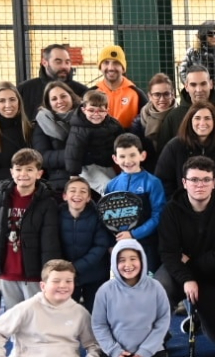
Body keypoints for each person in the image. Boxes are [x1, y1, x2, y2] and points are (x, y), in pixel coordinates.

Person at [158, 156, 215, 350]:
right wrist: (187, 277)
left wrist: (191, 264)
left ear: (214, 182)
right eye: (194, 180)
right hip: (181, 273)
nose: (200, 185)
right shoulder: (171, 210)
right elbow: (168, 253)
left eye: (206, 180)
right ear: (184, 183)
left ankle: (199, 318)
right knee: (158, 288)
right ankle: (156, 344)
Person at [0, 148, 62, 308]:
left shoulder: (47, 202)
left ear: (39, 173)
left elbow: (50, 240)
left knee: (36, 315)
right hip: (6, 270)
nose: (23, 174)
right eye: (19, 169)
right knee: (13, 316)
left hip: (34, 273)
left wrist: (49, 271)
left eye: (29, 169)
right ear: (11, 172)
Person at [91, 239, 172, 357]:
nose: (128, 264)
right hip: (119, 353)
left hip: (149, 351)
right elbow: (99, 325)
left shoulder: (156, 287)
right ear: (114, 263)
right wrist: (115, 352)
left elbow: (163, 320)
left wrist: (146, 350)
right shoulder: (105, 290)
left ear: (141, 260)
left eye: (133, 258)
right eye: (121, 260)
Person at [103, 133, 168, 269]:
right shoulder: (111, 185)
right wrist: (111, 243)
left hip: (147, 245)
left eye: (132, 155)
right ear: (115, 159)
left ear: (142, 156)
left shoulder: (152, 183)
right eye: (122, 156)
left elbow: (159, 215)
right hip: (120, 244)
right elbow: (106, 218)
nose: (127, 161)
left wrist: (133, 234)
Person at [155, 102, 215, 197]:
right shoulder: (174, 147)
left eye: (207, 118)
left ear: (214, 121)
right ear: (189, 121)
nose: (202, 123)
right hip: (181, 207)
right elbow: (163, 180)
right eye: (197, 118)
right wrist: (177, 203)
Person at [59, 175, 113, 310]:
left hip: (95, 274)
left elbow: (100, 246)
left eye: (83, 191)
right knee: (67, 313)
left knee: (95, 313)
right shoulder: (56, 214)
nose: (77, 194)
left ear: (89, 198)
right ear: (65, 196)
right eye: (73, 190)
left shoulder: (97, 216)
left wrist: (76, 267)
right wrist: (65, 267)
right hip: (66, 275)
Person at [65, 90, 124, 191]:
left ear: (107, 110)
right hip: (87, 167)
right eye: (91, 110)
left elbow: (123, 140)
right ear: (84, 110)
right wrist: (74, 174)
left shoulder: (112, 124)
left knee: (117, 185)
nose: (96, 114)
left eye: (101, 111)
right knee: (108, 188)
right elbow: (73, 151)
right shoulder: (80, 129)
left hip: (106, 164)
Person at [32, 81, 78, 190]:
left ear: (71, 97)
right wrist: (74, 154)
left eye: (63, 96)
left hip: (90, 176)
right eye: (54, 99)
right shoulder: (42, 123)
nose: (60, 101)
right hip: (59, 181)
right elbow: (42, 157)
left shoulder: (86, 116)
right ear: (48, 104)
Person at [161, 65, 215, 138]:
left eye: (203, 84)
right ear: (186, 87)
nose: (199, 90)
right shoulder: (173, 117)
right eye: (193, 85)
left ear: (211, 84)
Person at [16, 43, 87, 112]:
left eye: (67, 62)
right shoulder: (25, 90)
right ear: (44, 62)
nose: (64, 66)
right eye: (58, 62)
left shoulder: (82, 91)